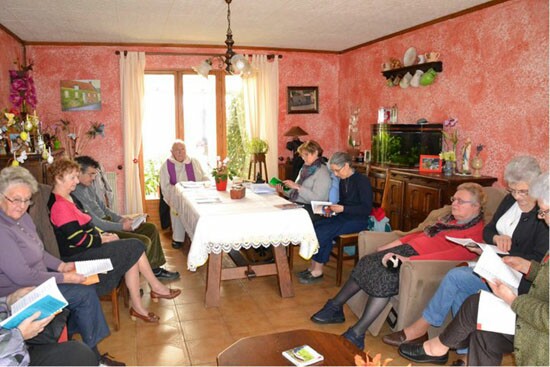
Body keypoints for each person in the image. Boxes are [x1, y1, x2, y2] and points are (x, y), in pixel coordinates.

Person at [382, 156, 547, 349]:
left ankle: (420, 331)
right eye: (512, 190)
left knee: (456, 277)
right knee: (461, 289)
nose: (517, 196)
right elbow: (489, 229)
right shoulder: (509, 201)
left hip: (518, 280)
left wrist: (508, 254)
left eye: (523, 191)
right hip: (494, 265)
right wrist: (494, 240)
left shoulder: (543, 215)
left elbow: (538, 261)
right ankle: (463, 352)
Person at [310, 183, 487, 350]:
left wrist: (407, 260)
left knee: (386, 276)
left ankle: (357, 333)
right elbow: (417, 236)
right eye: (453, 199)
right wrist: (387, 247)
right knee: (368, 261)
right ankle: (335, 306)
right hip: (408, 251)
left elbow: (453, 256)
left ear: (476, 206)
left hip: (420, 262)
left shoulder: (476, 233)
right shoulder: (448, 220)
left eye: (460, 201)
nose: (454, 204)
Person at [0, 166, 123, 365]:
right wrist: (65, 277)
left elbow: (39, 252)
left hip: (40, 279)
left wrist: (61, 266)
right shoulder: (2, 230)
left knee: (85, 289)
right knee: (83, 294)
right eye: (15, 199)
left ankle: (83, 343)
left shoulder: (22, 218)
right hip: (21, 292)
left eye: (26, 200)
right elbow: (23, 276)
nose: (22, 205)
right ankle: (93, 355)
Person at [47, 159, 181, 324]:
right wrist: (103, 239)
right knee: (135, 246)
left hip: (88, 248)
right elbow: (79, 239)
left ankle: (139, 307)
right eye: (73, 177)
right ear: (59, 178)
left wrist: (105, 236)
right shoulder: (59, 206)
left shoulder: (68, 198)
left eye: (76, 176)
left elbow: (87, 226)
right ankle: (156, 288)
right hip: (79, 257)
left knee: (130, 251)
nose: (76, 181)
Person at [72, 155, 179, 280]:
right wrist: (122, 226)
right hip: (103, 230)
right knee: (143, 241)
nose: (94, 178)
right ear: (79, 173)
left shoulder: (88, 186)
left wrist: (121, 219)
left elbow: (104, 209)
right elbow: (96, 223)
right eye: (91, 174)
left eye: (94, 174)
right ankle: (133, 277)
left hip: (109, 221)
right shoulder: (75, 193)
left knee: (151, 228)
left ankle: (154, 269)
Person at [297, 152, 372, 284]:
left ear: (347, 165)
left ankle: (317, 270)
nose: (335, 175)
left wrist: (343, 209)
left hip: (358, 220)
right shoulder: (344, 181)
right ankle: (313, 266)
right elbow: (343, 203)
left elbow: (366, 209)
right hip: (344, 216)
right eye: (333, 171)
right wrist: (331, 210)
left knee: (324, 231)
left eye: (337, 171)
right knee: (316, 226)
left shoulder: (362, 181)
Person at [0, 287, 98, 366]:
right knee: (84, 294)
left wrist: (8, 300)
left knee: (79, 353)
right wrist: (20, 335)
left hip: (14, 345)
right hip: (10, 355)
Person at [160, 140, 208, 249]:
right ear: (172, 152)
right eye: (177, 150)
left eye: (182, 149)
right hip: (177, 195)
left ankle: (200, 237)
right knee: (176, 207)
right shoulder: (167, 165)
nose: (180, 152)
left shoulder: (194, 162)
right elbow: (165, 185)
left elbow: (204, 176)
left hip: (196, 194)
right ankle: (178, 238)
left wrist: (207, 182)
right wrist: (177, 191)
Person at [275, 140, 331, 221]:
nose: (303, 158)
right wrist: (283, 190)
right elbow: (296, 193)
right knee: (274, 211)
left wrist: (298, 187)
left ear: (315, 153)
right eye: (302, 155)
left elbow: (319, 200)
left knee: (282, 218)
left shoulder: (322, 172)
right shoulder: (305, 168)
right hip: (299, 204)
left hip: (314, 209)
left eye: (306, 155)